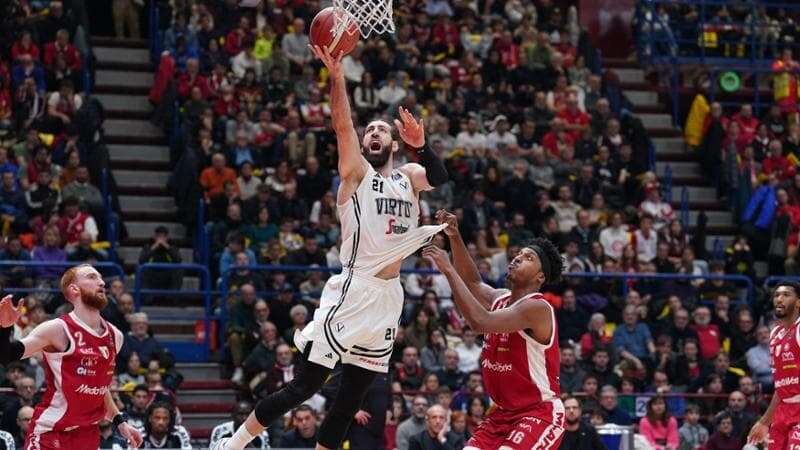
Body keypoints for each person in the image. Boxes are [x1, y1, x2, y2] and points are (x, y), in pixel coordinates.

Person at [215, 43, 448, 450]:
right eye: (369, 130)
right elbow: (343, 126)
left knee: (349, 400)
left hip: (390, 297)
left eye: (382, 130)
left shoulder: (409, 176)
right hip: (354, 290)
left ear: (394, 144)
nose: (373, 133)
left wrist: (422, 145)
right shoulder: (356, 174)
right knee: (303, 388)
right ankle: (232, 445)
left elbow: (440, 178)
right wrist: (337, 78)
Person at [424, 210, 565, 449]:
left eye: (528, 257)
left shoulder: (537, 308)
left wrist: (449, 271)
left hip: (538, 414)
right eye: (519, 254)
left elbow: (479, 322)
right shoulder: (500, 298)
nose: (518, 257)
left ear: (540, 276)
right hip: (501, 415)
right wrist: (455, 237)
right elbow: (472, 283)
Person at [0, 264, 143, 449]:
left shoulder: (116, 336)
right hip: (51, 432)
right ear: (74, 289)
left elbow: (99, 388)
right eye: (92, 277)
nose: (101, 282)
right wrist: (4, 327)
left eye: (100, 278)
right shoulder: (57, 329)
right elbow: (6, 355)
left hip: (88, 435)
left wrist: (120, 422)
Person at [747, 281, 800, 449]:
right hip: (783, 411)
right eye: (776, 295)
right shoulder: (775, 333)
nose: (779, 299)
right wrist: (764, 421)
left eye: (786, 295)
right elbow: (780, 387)